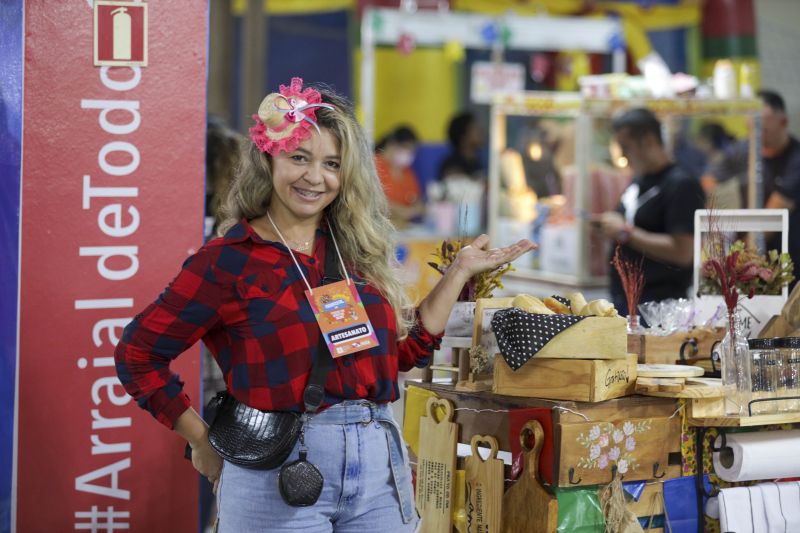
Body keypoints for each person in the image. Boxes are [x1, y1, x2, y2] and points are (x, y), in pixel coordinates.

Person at [114, 77, 534, 532]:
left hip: (377, 469)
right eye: (299, 158)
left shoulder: (353, 251)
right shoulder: (228, 261)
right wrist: (200, 440)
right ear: (268, 159)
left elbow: (402, 353)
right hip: (275, 470)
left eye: (332, 163)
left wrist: (458, 273)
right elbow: (138, 354)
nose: (315, 177)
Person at [594, 108, 705, 314]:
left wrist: (626, 233)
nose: (623, 156)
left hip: (658, 306)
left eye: (626, 147)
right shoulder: (639, 180)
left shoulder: (681, 185)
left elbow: (683, 252)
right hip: (625, 299)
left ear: (648, 141)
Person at [759, 90, 800, 289]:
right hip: (757, 264)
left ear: (783, 121)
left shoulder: (796, 159)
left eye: (763, 124)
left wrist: (740, 258)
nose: (758, 130)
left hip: (789, 266)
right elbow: (711, 180)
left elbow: (773, 216)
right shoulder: (745, 152)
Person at [374, 125, 424, 226]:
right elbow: (373, 201)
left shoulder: (407, 172)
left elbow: (416, 199)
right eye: (406, 148)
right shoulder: (374, 165)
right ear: (392, 144)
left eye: (412, 150)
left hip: (402, 227)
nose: (408, 153)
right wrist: (402, 211)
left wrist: (416, 208)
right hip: (378, 226)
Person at [437, 111, 485, 181]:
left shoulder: (479, 162)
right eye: (475, 128)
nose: (481, 131)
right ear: (463, 137)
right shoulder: (451, 166)